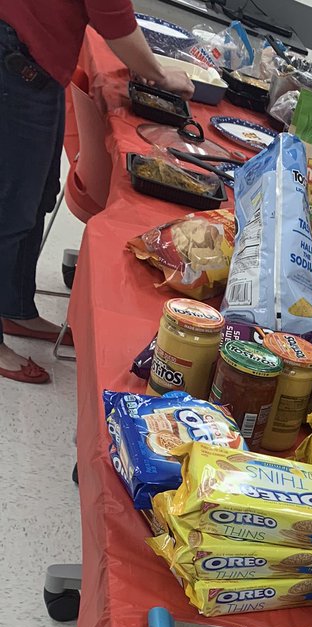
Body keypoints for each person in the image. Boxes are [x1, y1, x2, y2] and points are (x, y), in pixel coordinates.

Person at [0, 2, 194, 384]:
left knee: (34, 200)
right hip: (16, 61)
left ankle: (14, 307)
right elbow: (113, 18)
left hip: (34, 63)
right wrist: (159, 74)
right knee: (8, 210)